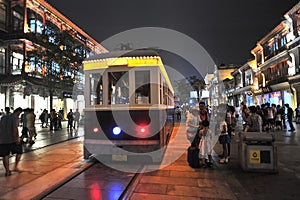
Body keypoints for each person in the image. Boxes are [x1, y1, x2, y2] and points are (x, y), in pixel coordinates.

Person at [0, 107, 23, 176]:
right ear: (18, 112)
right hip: (12, 139)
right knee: (19, 151)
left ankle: (7, 171)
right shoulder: (15, 117)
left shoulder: (3, 117)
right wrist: (17, 138)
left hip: (2, 139)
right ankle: (15, 167)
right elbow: (15, 129)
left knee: (5, 155)